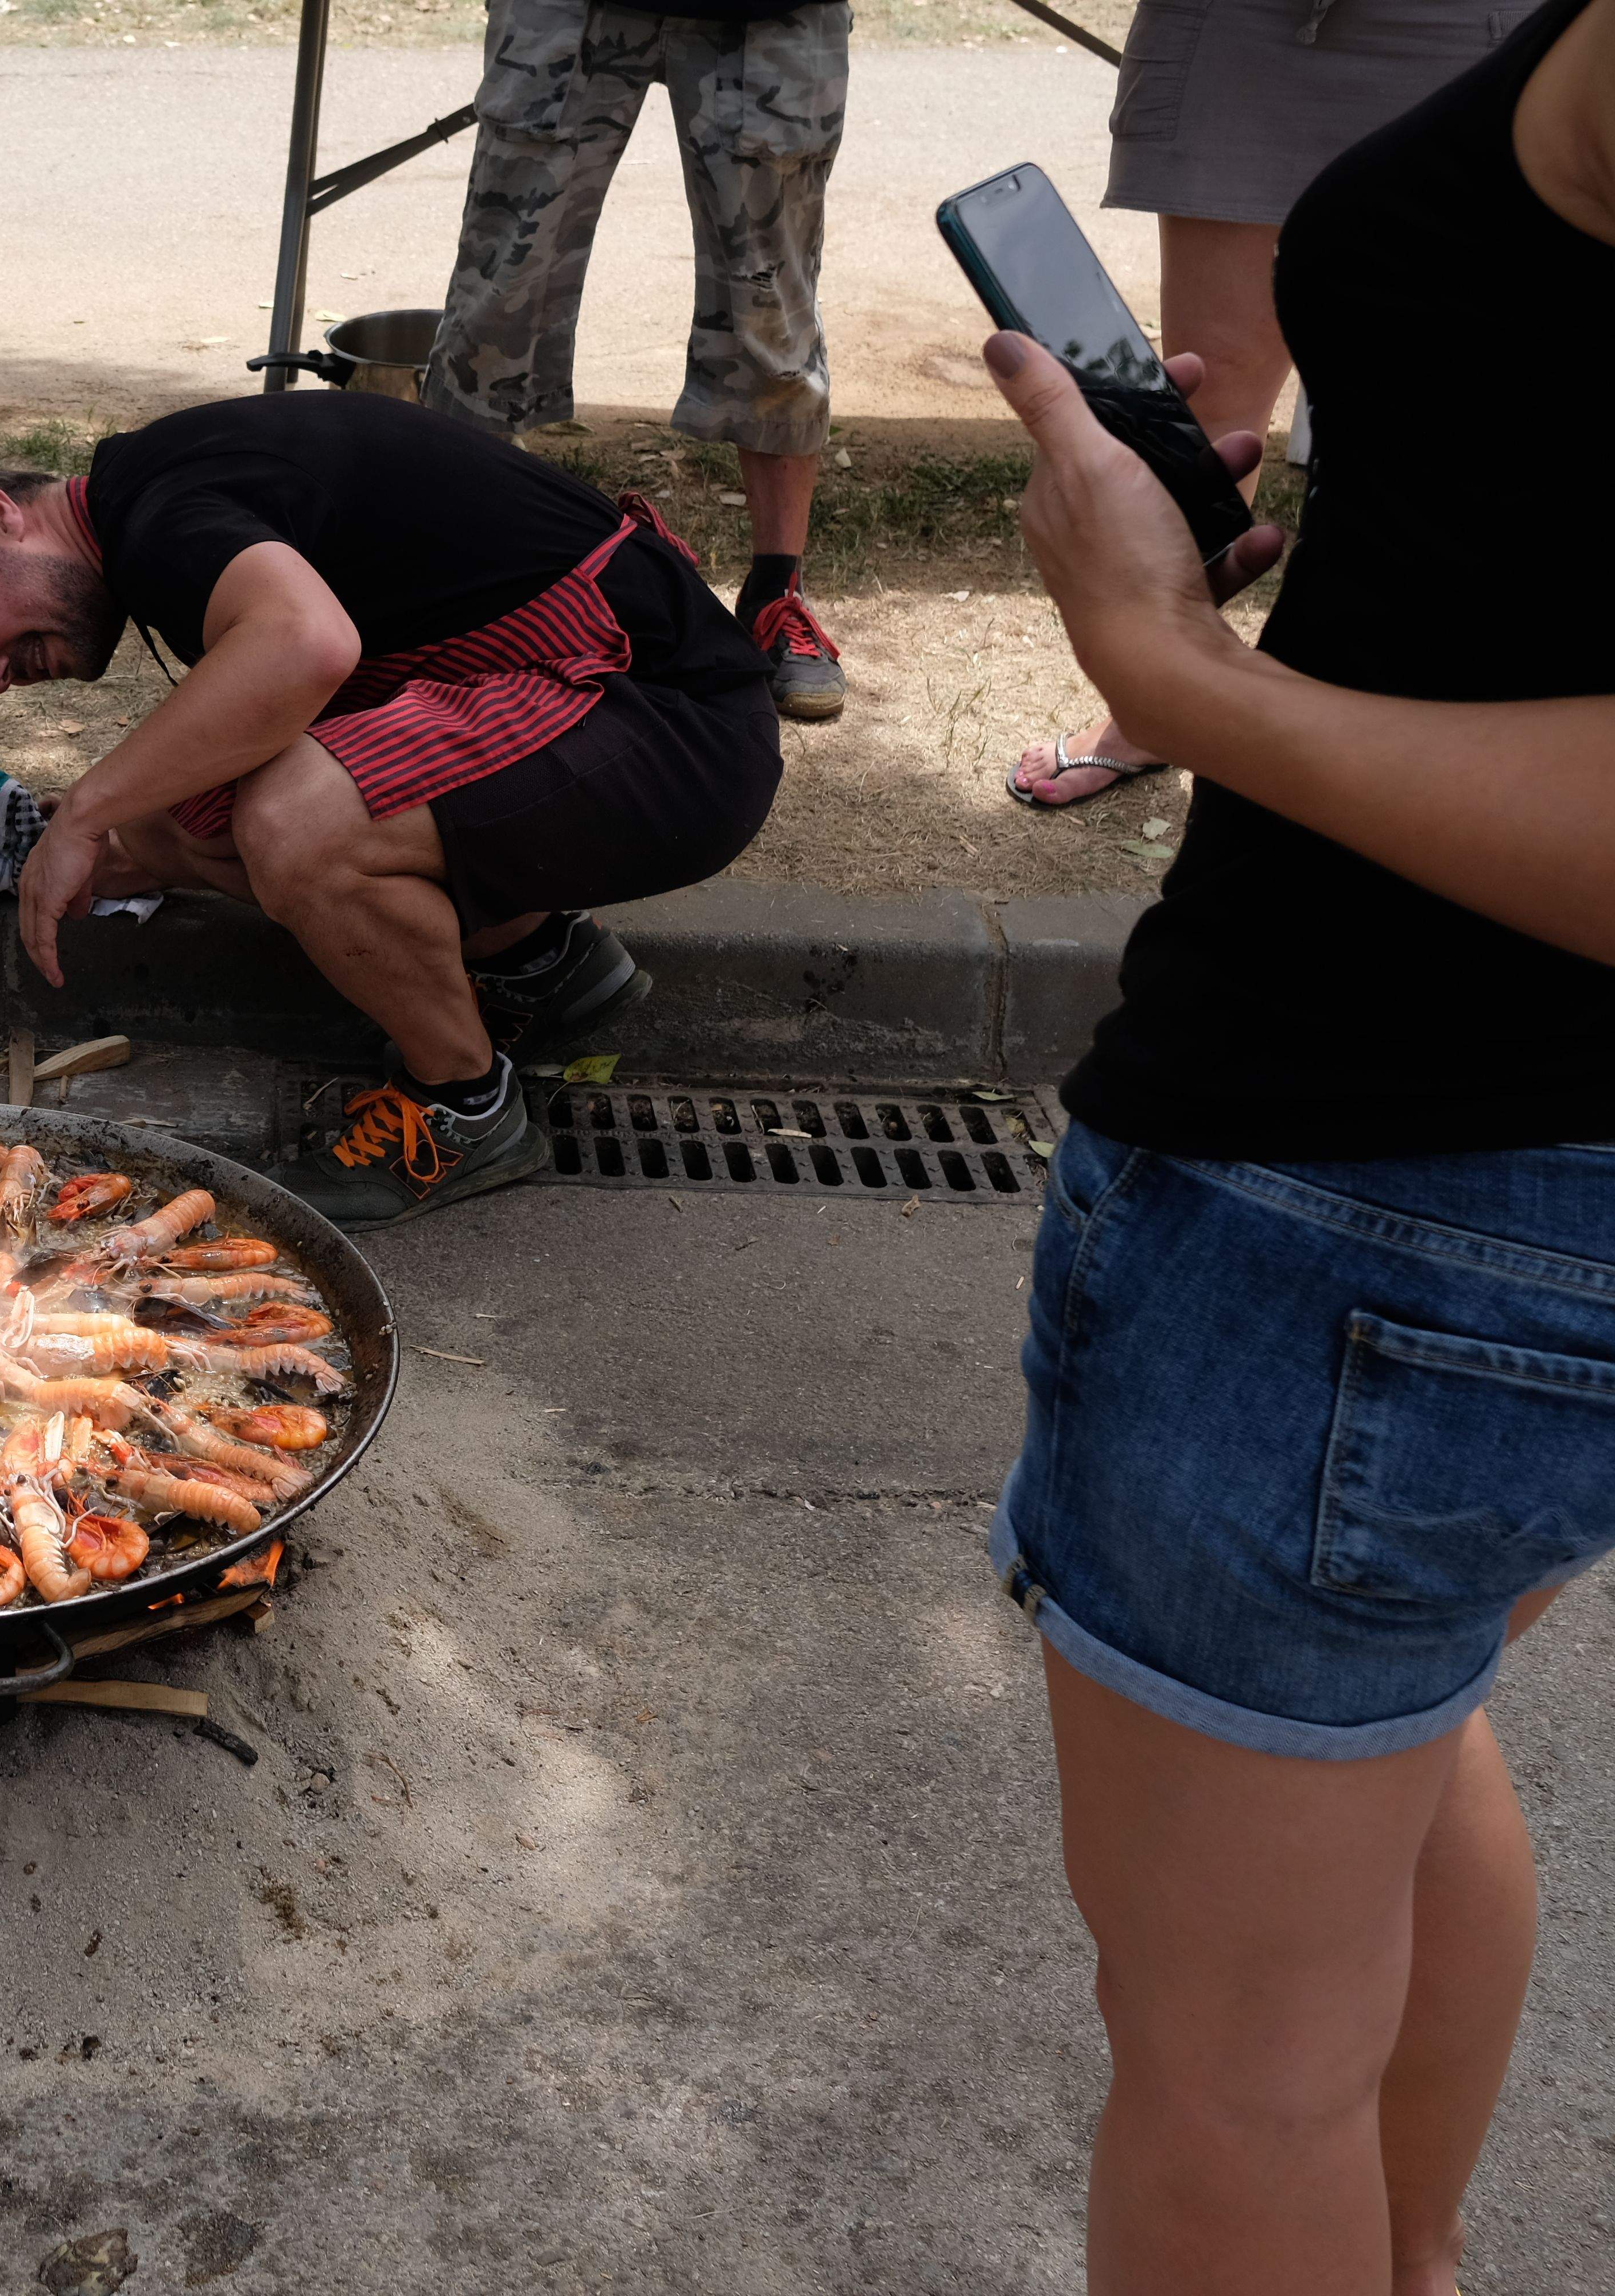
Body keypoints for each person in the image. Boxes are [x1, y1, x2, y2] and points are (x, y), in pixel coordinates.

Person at [976, 0, 1615, 2282]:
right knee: (1396, 1737)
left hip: (1390, 1192)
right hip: (1469, 1205)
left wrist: (1182, 680)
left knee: (1237, 2058)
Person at [0, 392, 783, 1231]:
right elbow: (252, 716)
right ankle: (536, 964)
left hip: (668, 718)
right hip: (585, 699)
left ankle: (462, 1105)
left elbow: (307, 644)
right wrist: (128, 820)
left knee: (294, 823)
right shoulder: (160, 497)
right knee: (183, 813)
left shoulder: (162, 516)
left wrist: (87, 814)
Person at [1011, 0, 1512, 805]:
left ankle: (1432, 701)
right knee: (1211, 400)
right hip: (1254, 23)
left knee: (1450, 412)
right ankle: (1161, 707)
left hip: (1470, 23)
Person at [421, 0, 851, 723]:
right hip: (568, 10)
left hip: (771, 14)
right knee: (499, 298)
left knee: (771, 306)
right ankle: (463, 583)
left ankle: (778, 594)